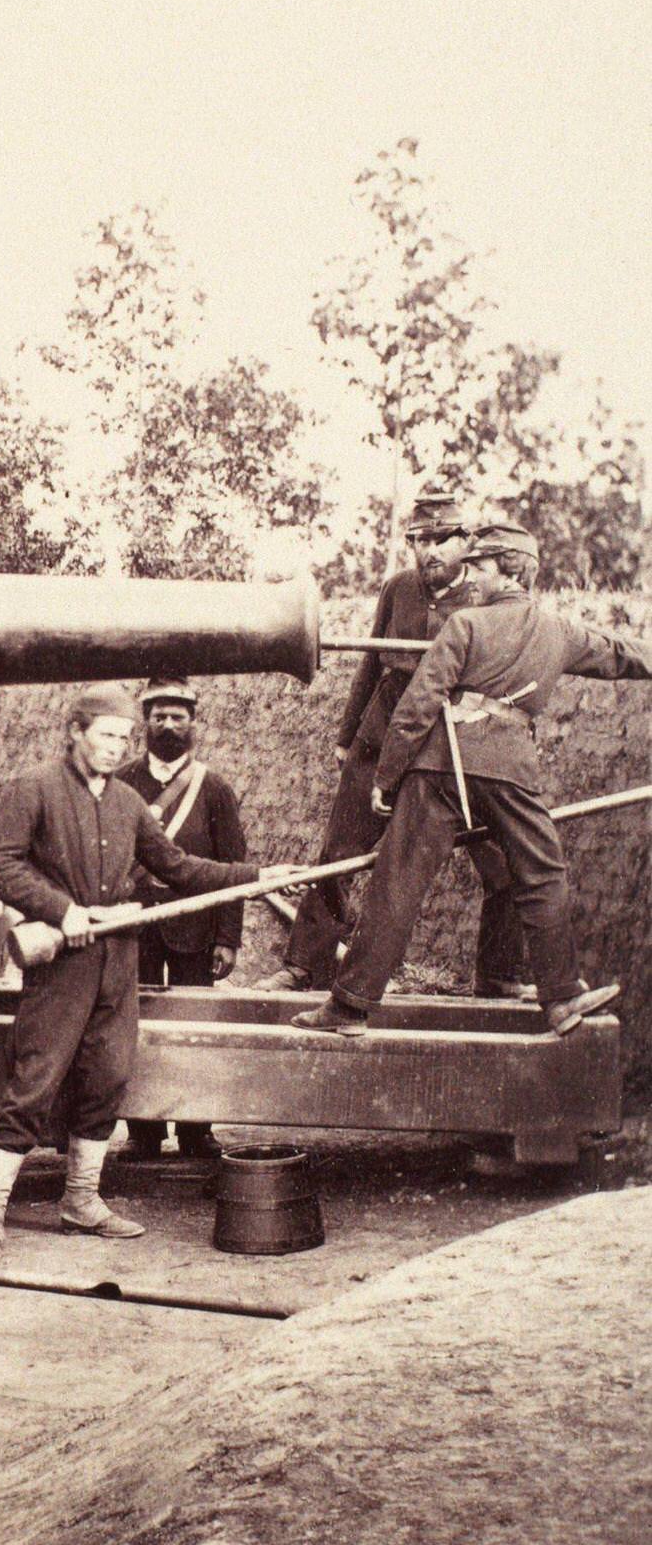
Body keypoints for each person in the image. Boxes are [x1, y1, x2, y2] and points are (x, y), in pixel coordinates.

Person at [0, 683, 298, 1266]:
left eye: (124, 738)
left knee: (109, 1077)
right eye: (107, 735)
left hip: (118, 961)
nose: (118, 747)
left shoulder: (127, 804)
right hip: (62, 962)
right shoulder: (33, 789)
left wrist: (260, 874)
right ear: (76, 731)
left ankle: (81, 1201)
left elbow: (178, 867)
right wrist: (62, 911)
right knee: (36, 1082)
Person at [293, 523, 650, 1039]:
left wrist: (387, 778)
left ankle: (348, 1009)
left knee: (398, 883)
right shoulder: (560, 632)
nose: (471, 575)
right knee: (543, 875)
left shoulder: (464, 626)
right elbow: (622, 654)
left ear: (511, 570)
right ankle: (562, 997)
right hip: (511, 772)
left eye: (480, 566)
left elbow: (417, 705)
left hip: (441, 768)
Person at [257, 492, 530, 999]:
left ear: (465, 543)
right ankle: (302, 967)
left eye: (440, 541)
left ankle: (499, 974)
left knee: (501, 856)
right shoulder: (398, 589)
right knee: (340, 851)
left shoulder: (486, 598)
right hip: (383, 736)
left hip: (450, 742)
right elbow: (372, 663)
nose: (428, 553)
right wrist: (347, 737)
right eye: (418, 542)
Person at [116, 677, 247, 1162]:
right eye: (159, 717)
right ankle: (143, 1131)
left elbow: (234, 868)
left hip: (196, 927)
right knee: (134, 1023)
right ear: (144, 724)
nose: (168, 726)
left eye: (178, 717)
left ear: (193, 723)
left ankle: (196, 1130)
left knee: (197, 1024)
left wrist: (227, 938)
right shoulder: (123, 780)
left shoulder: (213, 787)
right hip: (136, 925)